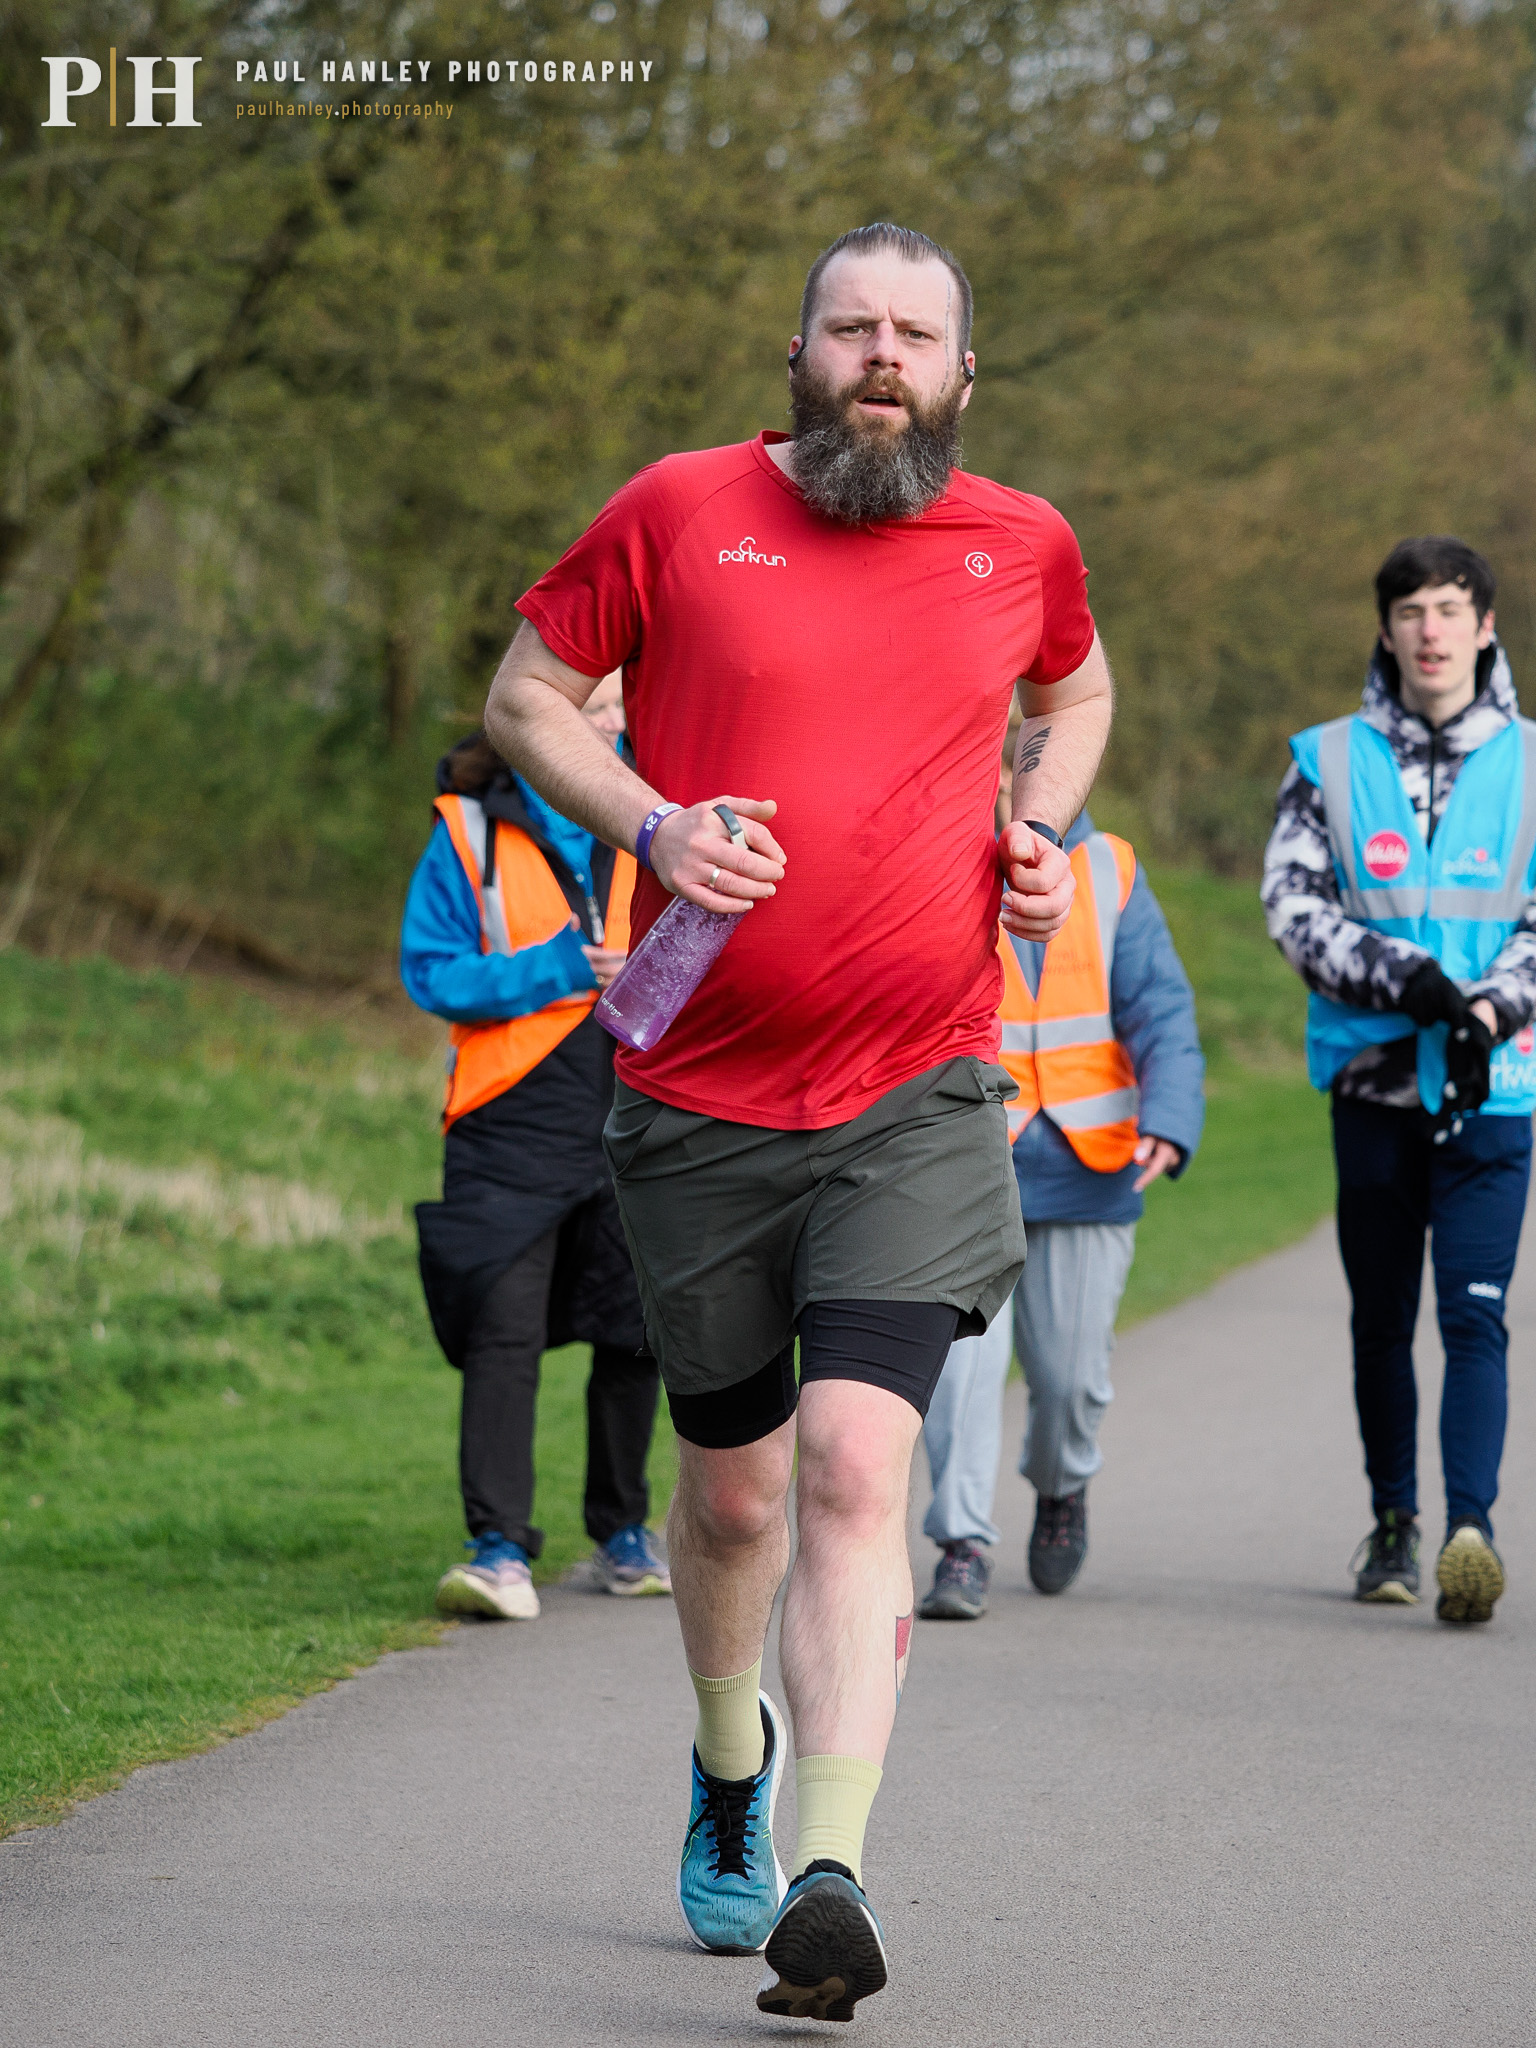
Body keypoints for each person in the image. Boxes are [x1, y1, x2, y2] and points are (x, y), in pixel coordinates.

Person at [484, 222, 1113, 2024]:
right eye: (853, 328)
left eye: (915, 332)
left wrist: (1038, 824)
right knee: (738, 1491)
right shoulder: (677, 508)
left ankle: (827, 1876)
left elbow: (1075, 689)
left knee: (850, 1462)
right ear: (801, 350)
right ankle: (728, 1763)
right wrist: (653, 821)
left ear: (965, 373)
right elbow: (525, 698)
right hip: (696, 1096)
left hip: (920, 1085)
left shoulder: (1022, 541)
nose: (882, 356)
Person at [1263, 536, 1536, 1626]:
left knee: (1474, 1316)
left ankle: (1472, 1529)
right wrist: (1406, 978)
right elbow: (1292, 905)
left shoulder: (1532, 762)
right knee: (1381, 1319)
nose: (1431, 629)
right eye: (1412, 610)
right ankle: (1393, 1523)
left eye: (1451, 608)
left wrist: (1488, 1009)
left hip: (1494, 1090)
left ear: (1484, 626)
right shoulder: (1325, 759)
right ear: (1386, 629)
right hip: (1374, 1090)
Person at [401, 670, 672, 1622]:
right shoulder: (467, 829)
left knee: (636, 1332)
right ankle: (498, 1550)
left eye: (617, 711)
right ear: (533, 716)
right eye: (587, 708)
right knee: (502, 1335)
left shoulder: (667, 819)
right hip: (507, 1124)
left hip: (638, 1109)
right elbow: (430, 973)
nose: (606, 726)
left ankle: (623, 1533)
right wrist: (556, 968)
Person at [919, 798, 1203, 1620]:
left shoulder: (1112, 867)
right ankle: (961, 1544)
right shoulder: (938, 855)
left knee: (1072, 1380)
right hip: (965, 1160)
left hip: (1092, 1167)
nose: (1019, 782)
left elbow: (1161, 1008)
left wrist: (1170, 1117)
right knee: (960, 1373)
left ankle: (1061, 1484)